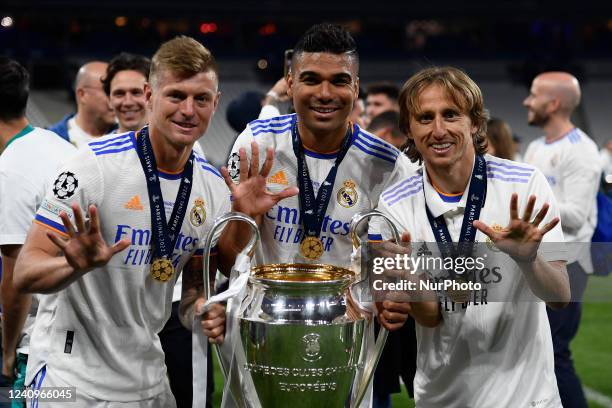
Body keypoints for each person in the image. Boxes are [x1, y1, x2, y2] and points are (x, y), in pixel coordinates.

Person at [13, 36, 242, 407]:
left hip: (149, 379)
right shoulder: (92, 166)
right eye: (176, 95)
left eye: (201, 99)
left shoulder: (213, 189)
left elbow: (191, 296)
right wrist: (74, 263)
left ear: (216, 103)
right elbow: (25, 273)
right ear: (150, 96)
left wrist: (204, 310)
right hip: (71, 379)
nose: (188, 110)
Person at [374, 66, 570, 407]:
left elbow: (559, 296)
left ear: (474, 122)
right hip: (443, 397)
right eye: (425, 118)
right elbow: (431, 316)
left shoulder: (523, 183)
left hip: (527, 397)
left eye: (451, 115)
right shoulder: (394, 203)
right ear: (408, 129)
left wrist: (528, 260)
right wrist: (410, 282)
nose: (439, 130)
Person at [0, 57, 76, 408]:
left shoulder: (11, 169)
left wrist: (7, 350)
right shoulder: (57, 146)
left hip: (39, 342)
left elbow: (17, 276)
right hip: (74, 332)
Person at [523, 71, 602, 408]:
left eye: (533, 94)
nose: (527, 101)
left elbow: (577, 215)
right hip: (540, 259)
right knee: (535, 352)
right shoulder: (536, 147)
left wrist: (531, 202)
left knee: (556, 354)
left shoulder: (581, 150)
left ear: (553, 103)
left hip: (568, 263)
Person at [48, 61, 116, 146]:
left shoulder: (128, 139)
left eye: (118, 92)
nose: (117, 100)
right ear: (82, 95)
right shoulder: (49, 142)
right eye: (108, 91)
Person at [101, 52, 151, 133]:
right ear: (109, 100)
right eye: (119, 94)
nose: (128, 102)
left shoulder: (174, 144)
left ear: (152, 96)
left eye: (136, 93)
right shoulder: (96, 146)